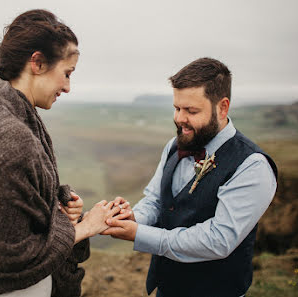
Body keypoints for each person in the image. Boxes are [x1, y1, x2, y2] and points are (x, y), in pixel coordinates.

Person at [0, 9, 120, 297]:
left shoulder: (9, 112)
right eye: (66, 73)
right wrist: (85, 226)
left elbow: (16, 204)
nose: (67, 87)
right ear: (37, 62)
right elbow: (14, 257)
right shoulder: (7, 134)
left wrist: (58, 205)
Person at [103, 57, 278, 297]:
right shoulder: (174, 146)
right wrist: (134, 217)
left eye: (191, 111)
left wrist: (139, 234)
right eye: (176, 108)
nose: (179, 118)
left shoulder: (252, 165)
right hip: (166, 288)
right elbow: (155, 200)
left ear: (222, 107)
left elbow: (219, 239)